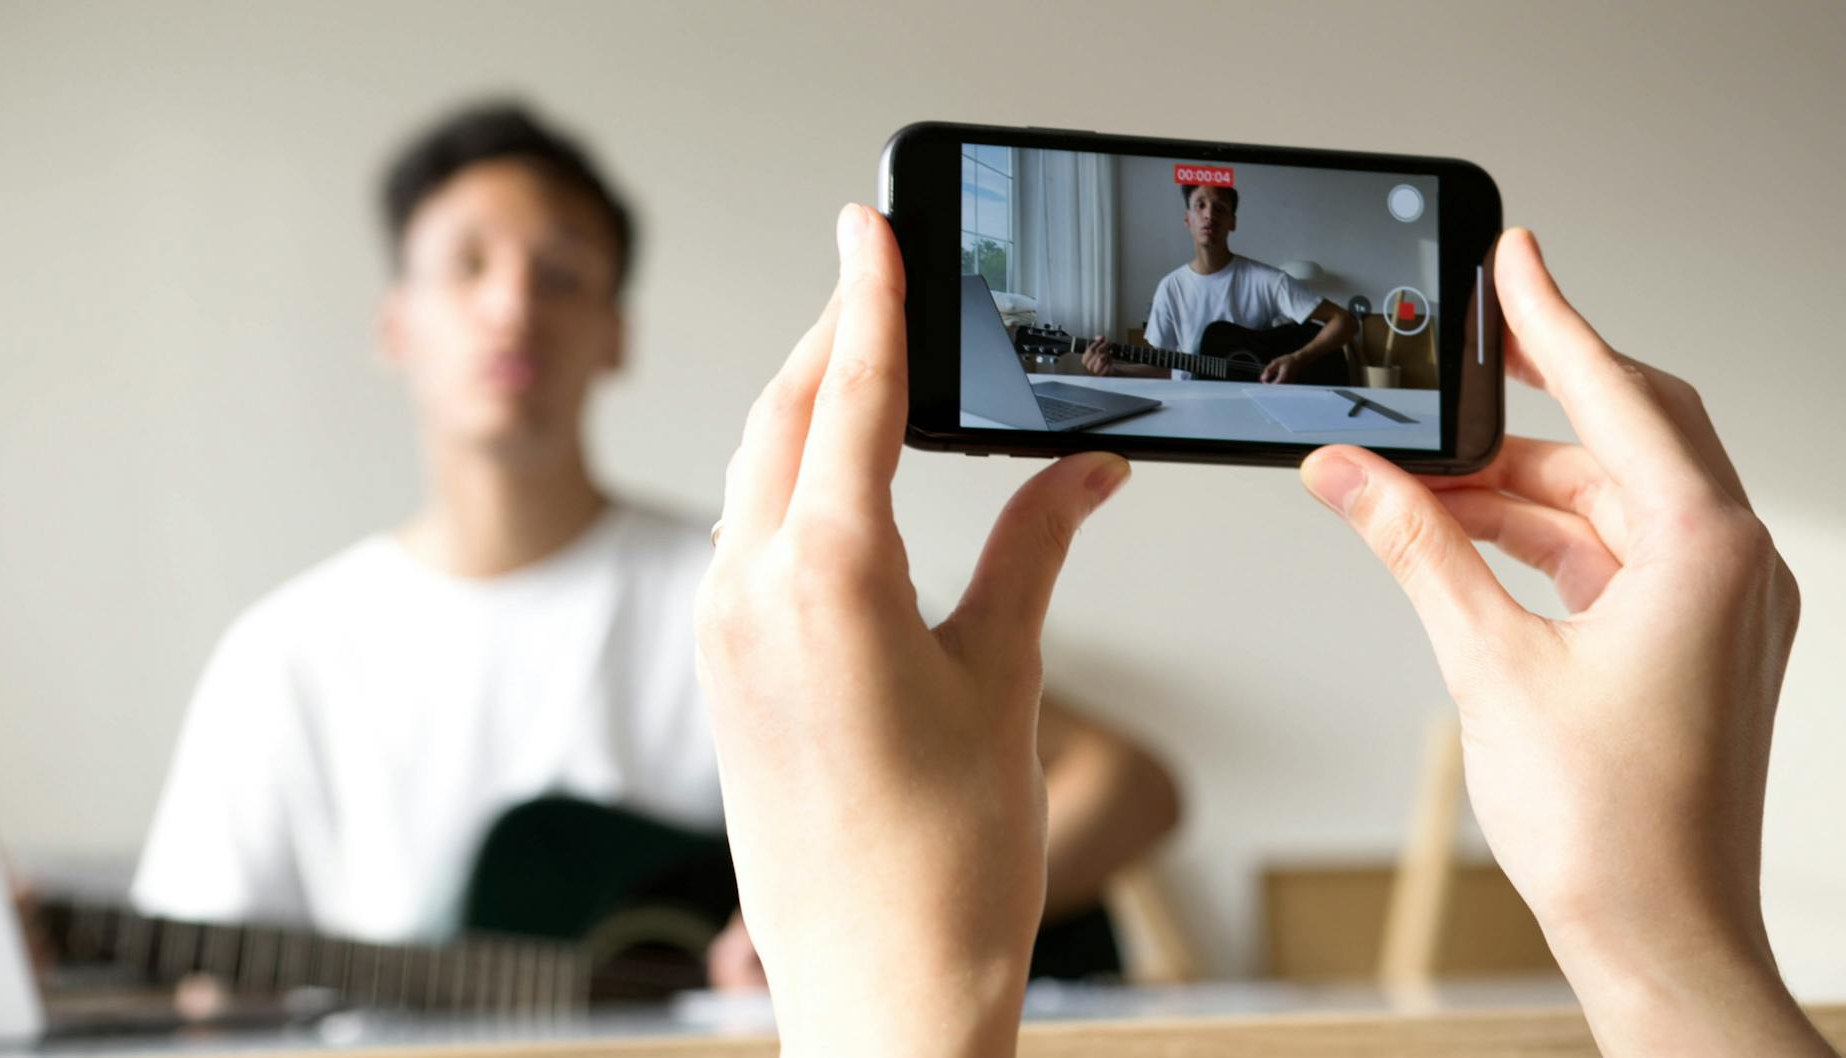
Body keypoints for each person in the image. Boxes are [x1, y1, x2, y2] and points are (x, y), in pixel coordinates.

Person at [694, 206, 1837, 1056]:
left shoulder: (1258, 280)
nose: (1203, 219)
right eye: (1191, 206)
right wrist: (1681, 956)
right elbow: (1148, 352)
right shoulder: (1171, 298)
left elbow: (1335, 319)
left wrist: (867, 1001)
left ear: (1228, 215)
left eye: (1213, 206)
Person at [127, 103, 1178, 988]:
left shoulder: (748, 587)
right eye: (465, 266)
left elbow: (1128, 782)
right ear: (394, 324)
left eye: (561, 273)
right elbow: (196, 980)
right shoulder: (284, 657)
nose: (510, 305)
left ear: (614, 332)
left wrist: (873, 937)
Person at [1082, 183, 1356, 384]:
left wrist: (1298, 360)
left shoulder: (1267, 281)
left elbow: (1345, 322)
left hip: (1253, 410)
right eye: (1200, 205)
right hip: (1190, 413)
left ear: (1232, 222)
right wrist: (1113, 370)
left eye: (1220, 207)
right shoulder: (1170, 288)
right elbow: (1170, 369)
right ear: (1187, 219)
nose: (1209, 214)